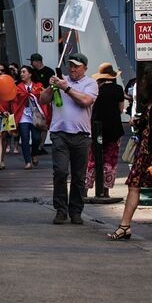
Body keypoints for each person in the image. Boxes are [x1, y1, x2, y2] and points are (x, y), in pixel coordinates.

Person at [107, 66, 152, 241]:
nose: (142, 85)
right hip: (146, 152)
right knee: (134, 185)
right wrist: (139, 122)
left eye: (145, 81)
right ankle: (124, 226)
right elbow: (151, 124)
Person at [41, 52, 99, 225]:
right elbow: (43, 100)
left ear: (85, 68)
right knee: (60, 172)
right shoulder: (60, 80)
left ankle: (75, 211)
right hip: (60, 133)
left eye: (76, 66)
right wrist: (51, 87)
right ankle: (60, 209)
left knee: (78, 176)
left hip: (81, 136)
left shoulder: (91, 83)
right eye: (70, 65)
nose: (72, 69)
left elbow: (86, 101)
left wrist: (66, 88)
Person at [86, 62, 124, 195]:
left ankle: (85, 189)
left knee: (93, 159)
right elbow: (120, 109)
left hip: (96, 128)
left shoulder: (95, 90)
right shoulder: (118, 89)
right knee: (110, 160)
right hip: (114, 129)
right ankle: (105, 191)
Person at [10, 65, 42, 169]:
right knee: (24, 138)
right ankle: (27, 161)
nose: (21, 74)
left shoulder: (38, 86)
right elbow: (14, 101)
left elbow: (42, 99)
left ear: (30, 74)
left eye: (24, 72)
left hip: (35, 115)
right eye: (21, 72)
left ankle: (34, 154)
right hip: (23, 115)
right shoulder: (18, 87)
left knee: (37, 138)